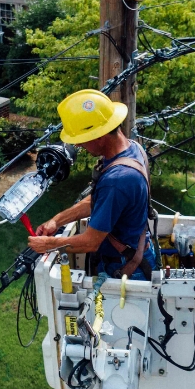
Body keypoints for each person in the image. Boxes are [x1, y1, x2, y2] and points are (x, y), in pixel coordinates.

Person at [28, 89, 157, 280]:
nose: (79, 146)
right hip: (136, 253)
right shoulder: (132, 148)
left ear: (99, 136)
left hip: (125, 268)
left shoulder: (117, 180)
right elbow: (99, 201)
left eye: (81, 140)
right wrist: (57, 220)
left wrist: (48, 244)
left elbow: (90, 243)